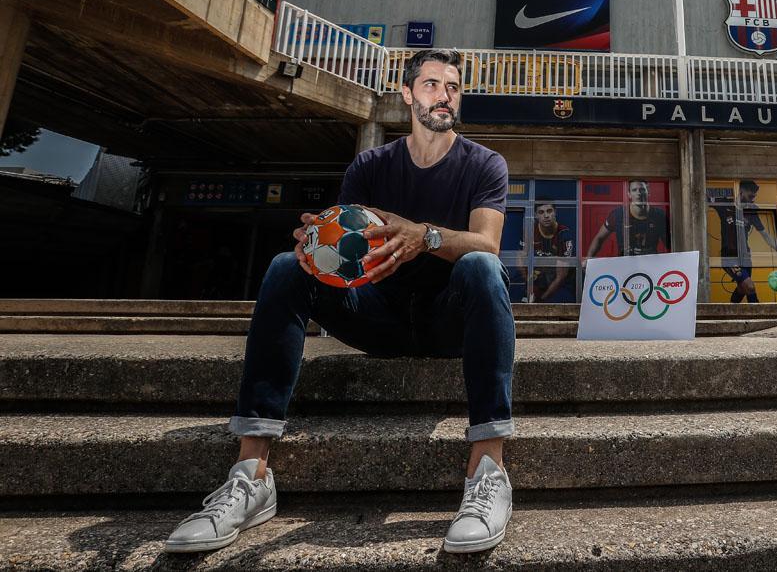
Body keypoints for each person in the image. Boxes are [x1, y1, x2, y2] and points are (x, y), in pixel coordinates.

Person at [165, 49, 516, 555]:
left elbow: (488, 243)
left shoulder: (484, 163)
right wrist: (316, 245)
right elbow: (343, 247)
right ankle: (251, 476)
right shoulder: (371, 165)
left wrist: (424, 236)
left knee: (481, 266)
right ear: (407, 93)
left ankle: (488, 471)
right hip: (378, 318)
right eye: (433, 84)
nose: (445, 95)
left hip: (449, 322)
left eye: (454, 86)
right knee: (288, 265)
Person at [710, 180, 777, 303]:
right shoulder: (724, 204)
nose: (752, 198)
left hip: (745, 257)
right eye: (750, 194)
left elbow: (765, 235)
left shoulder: (752, 209)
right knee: (750, 286)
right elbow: (703, 197)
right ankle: (758, 316)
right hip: (730, 256)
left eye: (754, 195)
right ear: (741, 191)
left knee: (743, 288)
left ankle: (731, 313)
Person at [584, 179, 670, 259]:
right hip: (625, 266)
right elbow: (599, 238)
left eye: (642, 189)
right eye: (634, 190)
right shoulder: (618, 214)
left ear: (648, 192)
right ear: (629, 194)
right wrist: (588, 260)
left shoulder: (659, 215)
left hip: (651, 264)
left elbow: (671, 244)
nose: (638, 193)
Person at [526, 201, 575, 302]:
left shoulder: (564, 234)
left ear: (555, 212)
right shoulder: (530, 232)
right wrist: (529, 288)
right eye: (541, 212)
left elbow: (561, 276)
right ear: (536, 215)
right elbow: (521, 262)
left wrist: (541, 300)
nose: (546, 216)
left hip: (560, 286)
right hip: (538, 283)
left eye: (549, 211)